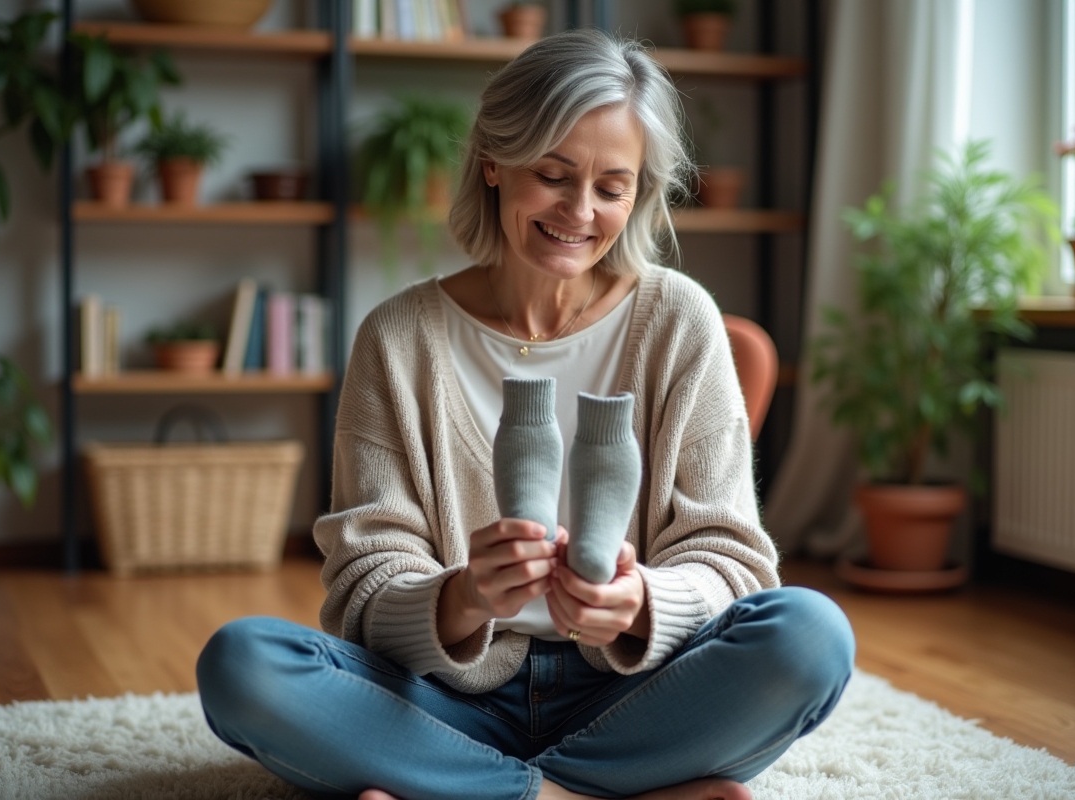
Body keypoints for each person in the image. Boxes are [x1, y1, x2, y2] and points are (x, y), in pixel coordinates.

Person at [196, 27, 854, 800]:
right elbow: (362, 585)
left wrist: (643, 602)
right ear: (494, 163)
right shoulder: (398, 337)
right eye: (553, 174)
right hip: (446, 702)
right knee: (241, 665)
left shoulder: (680, 321)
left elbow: (733, 561)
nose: (581, 211)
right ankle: (587, 793)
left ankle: (461, 791)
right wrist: (465, 595)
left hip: (633, 695)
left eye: (613, 187)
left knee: (812, 636)